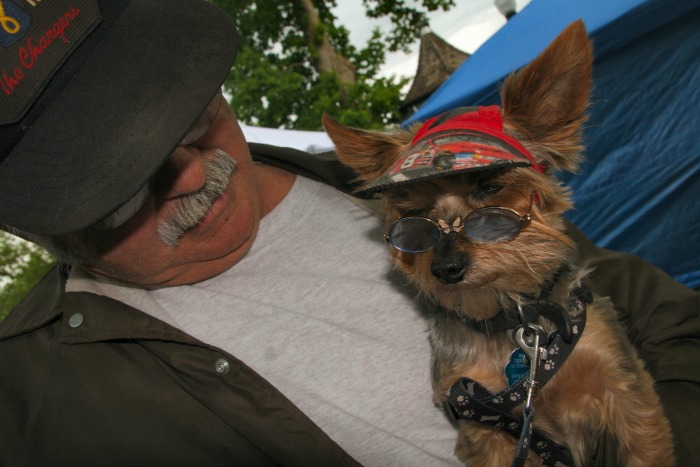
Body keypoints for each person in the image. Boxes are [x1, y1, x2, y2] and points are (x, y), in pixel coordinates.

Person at [0, 1, 698, 466]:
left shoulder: (402, 177)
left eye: (193, 124)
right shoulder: (38, 402)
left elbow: (659, 315)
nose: (191, 179)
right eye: (122, 190)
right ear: (42, 227)